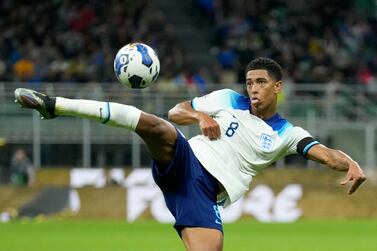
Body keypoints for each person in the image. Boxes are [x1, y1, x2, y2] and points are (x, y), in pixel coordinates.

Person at [14, 57, 366, 251]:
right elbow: (176, 112)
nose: (252, 88)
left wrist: (350, 163)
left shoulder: (288, 133)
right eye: (249, 82)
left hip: (203, 191)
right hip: (185, 158)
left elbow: (324, 154)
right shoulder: (227, 100)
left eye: (260, 82)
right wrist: (201, 116)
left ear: (277, 87)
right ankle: (54, 105)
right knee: (155, 127)